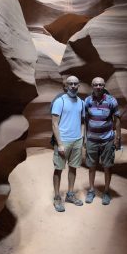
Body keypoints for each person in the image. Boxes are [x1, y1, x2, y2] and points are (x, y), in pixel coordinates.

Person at [84, 77, 121, 205]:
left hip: (107, 140)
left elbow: (117, 119)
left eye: (100, 85)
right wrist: (85, 137)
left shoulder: (111, 101)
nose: (98, 87)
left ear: (104, 86)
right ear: (92, 86)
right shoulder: (87, 101)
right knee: (91, 166)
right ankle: (91, 190)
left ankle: (106, 192)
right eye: (96, 85)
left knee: (107, 166)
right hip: (92, 139)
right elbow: (86, 120)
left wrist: (118, 138)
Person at [51, 75, 85, 212]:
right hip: (63, 140)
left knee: (73, 167)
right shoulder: (60, 102)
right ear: (65, 86)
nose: (72, 86)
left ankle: (70, 194)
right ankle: (57, 197)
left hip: (77, 140)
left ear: (78, 86)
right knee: (59, 168)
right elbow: (54, 123)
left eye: (75, 84)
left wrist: (81, 137)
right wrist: (59, 143)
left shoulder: (81, 102)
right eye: (70, 84)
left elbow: (83, 121)